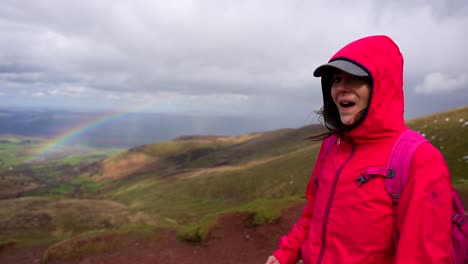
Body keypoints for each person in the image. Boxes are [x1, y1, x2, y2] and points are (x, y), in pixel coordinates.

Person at [265, 35, 453, 264]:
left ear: (382, 85)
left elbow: (423, 257)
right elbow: (313, 214)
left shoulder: (420, 160)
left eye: (355, 79)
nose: (341, 88)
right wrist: (286, 252)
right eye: (336, 79)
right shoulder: (332, 146)